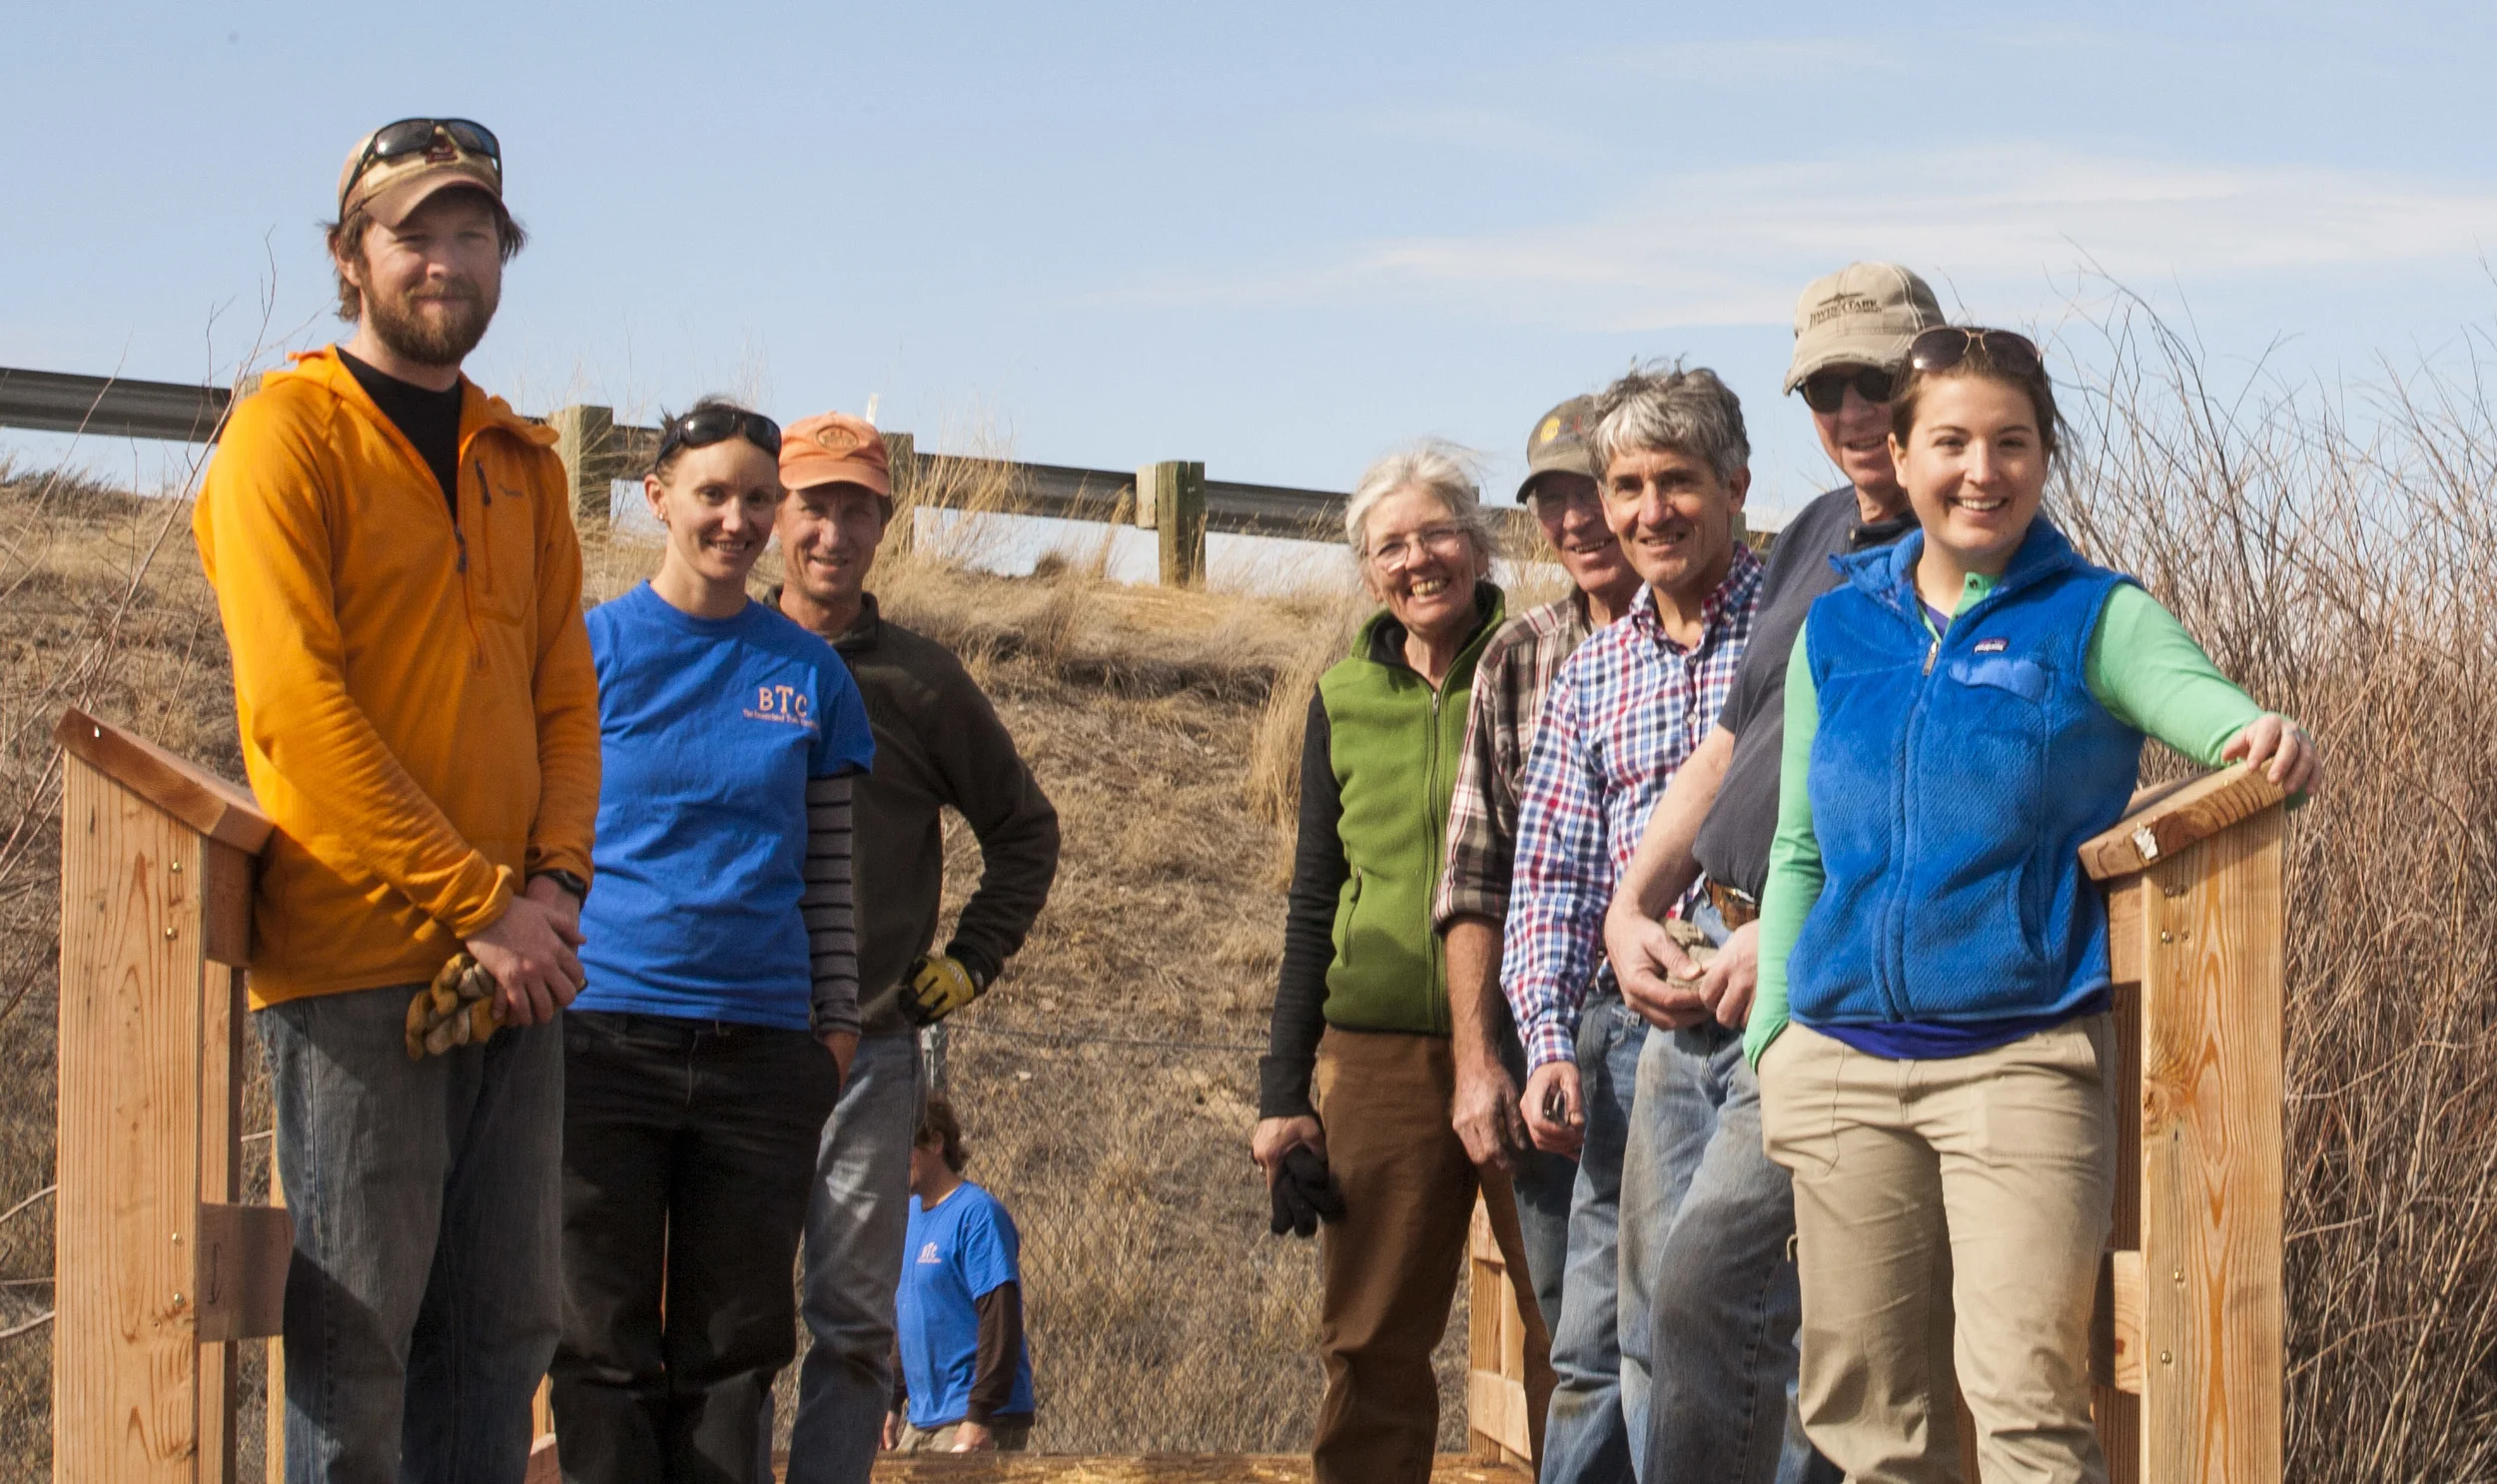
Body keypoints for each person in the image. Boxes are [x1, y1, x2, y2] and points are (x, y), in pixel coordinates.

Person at [1749, 327, 2321, 1479]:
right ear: (1897, 459)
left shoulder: (2093, 615)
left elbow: (2212, 711)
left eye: (2012, 442)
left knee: (2024, 1407)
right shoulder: (1837, 627)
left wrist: (2255, 734)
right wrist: (1774, 1037)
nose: (1981, 470)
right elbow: (1800, 849)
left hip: (2017, 1065)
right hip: (1840, 1066)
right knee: (1867, 1425)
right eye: (1950, 441)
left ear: (2045, 458)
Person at [193, 118, 596, 1484]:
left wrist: (554, 887)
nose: (446, 257)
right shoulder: (284, 433)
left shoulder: (523, 458)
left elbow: (565, 697)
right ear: (348, 257)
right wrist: (484, 901)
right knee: (355, 1347)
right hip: (361, 963)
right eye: (413, 231)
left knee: (500, 1335)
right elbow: (297, 721)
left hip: (519, 969)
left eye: (472, 230)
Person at [1601, 262, 1944, 1484]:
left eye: (1874, 382)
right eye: (1823, 388)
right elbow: (1731, 742)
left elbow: (1930, 783)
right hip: (1703, 945)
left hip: (1810, 975)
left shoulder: (1964, 549)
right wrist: (1632, 900)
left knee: (1721, 1299)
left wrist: (1782, 936)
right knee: (1646, 1314)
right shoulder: (1806, 534)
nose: (1851, 415)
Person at [547, 399, 875, 1480]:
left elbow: (830, 876)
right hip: (601, 1041)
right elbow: (536, 837)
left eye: (756, 498)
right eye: (712, 495)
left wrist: (833, 1031)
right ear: (657, 499)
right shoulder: (587, 652)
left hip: (762, 1054)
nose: (736, 519)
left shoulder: (812, 676)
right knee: (600, 1343)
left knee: (732, 1352)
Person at [773, 413, 1061, 1484]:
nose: (833, 533)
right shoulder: (723, 655)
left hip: (871, 1052)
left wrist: (968, 961)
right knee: (726, 1322)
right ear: (773, 514)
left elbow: (1025, 831)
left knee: (851, 1327)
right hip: (725, 1047)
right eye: (813, 506)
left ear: (884, 522)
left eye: (856, 509)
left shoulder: (920, 680)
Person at [1252, 443, 1544, 1484]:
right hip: (1375, 1055)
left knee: (1572, 1329)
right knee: (1370, 1339)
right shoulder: (1338, 695)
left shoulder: (1538, 665)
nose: (1417, 560)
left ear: (1478, 541)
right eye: (1390, 545)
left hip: (1526, 1038)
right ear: (1366, 569)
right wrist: (1283, 1088)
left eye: (1437, 533)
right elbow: (1313, 895)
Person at [1498, 366, 1766, 1480]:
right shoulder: (1588, 671)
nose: (1648, 510)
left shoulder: (1796, 622)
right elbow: (1550, 868)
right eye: (1626, 485)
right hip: (1620, 1030)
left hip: (1753, 1008)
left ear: (1736, 485)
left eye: (1676, 481)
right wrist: (1548, 1036)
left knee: (1715, 1320)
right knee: (1597, 1343)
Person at [1431, 396, 1639, 1478]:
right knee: (1574, 1333)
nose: (1574, 518)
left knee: (1700, 1322)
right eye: (1552, 497)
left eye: (1592, 487)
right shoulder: (1518, 655)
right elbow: (1472, 878)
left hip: (1693, 1029)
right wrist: (1480, 1060)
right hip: (1552, 1040)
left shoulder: (1732, 633)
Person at [883, 1098, 1038, 1452]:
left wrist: (979, 1417)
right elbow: (908, 1317)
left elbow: (1000, 1318)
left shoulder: (977, 1215)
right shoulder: (908, 1217)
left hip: (973, 1420)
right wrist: (892, 1402)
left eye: (904, 1146)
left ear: (936, 1143)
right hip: (923, 1419)